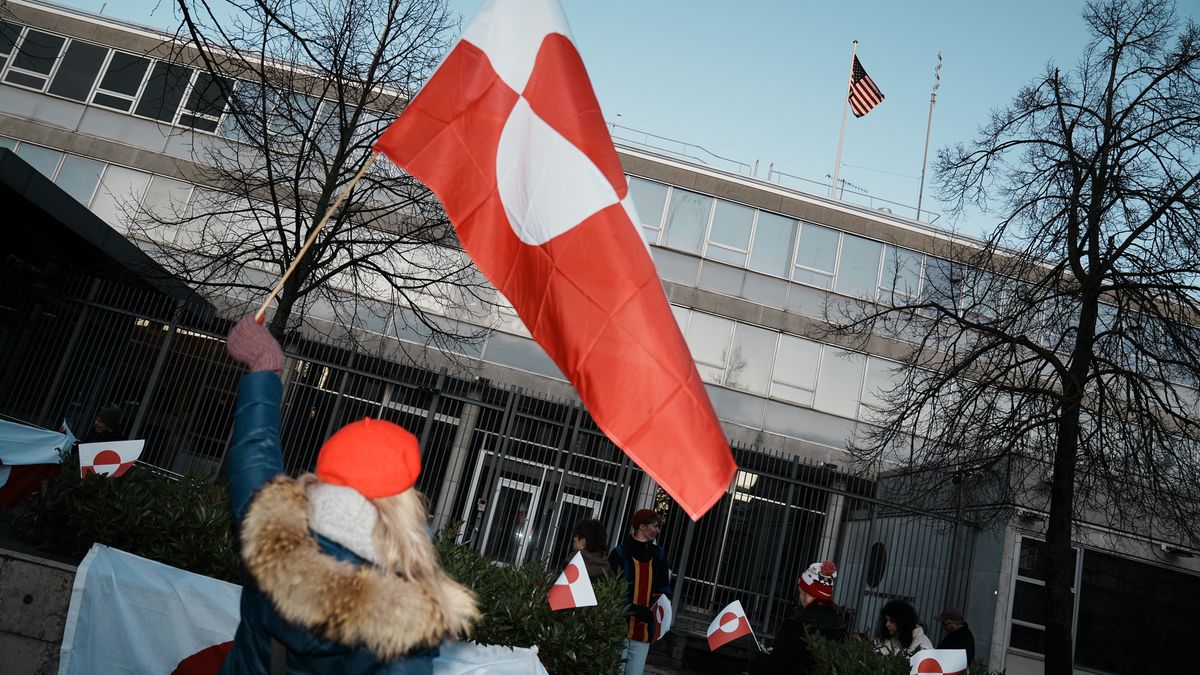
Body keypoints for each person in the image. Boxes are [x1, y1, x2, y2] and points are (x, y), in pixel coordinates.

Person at [220, 315, 479, 674]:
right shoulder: (407, 614)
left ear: (324, 474)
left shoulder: (273, 532)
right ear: (404, 498)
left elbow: (254, 450)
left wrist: (265, 368)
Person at [751, 560, 847, 675]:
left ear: (807, 593)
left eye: (800, 592)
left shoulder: (797, 624)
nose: (800, 598)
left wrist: (768, 656)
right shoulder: (840, 624)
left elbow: (774, 667)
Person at [608, 508, 670, 675]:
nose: (658, 530)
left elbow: (664, 587)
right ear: (642, 527)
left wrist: (657, 610)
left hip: (644, 628)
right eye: (655, 526)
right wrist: (632, 608)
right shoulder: (619, 553)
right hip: (619, 627)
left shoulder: (659, 555)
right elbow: (610, 590)